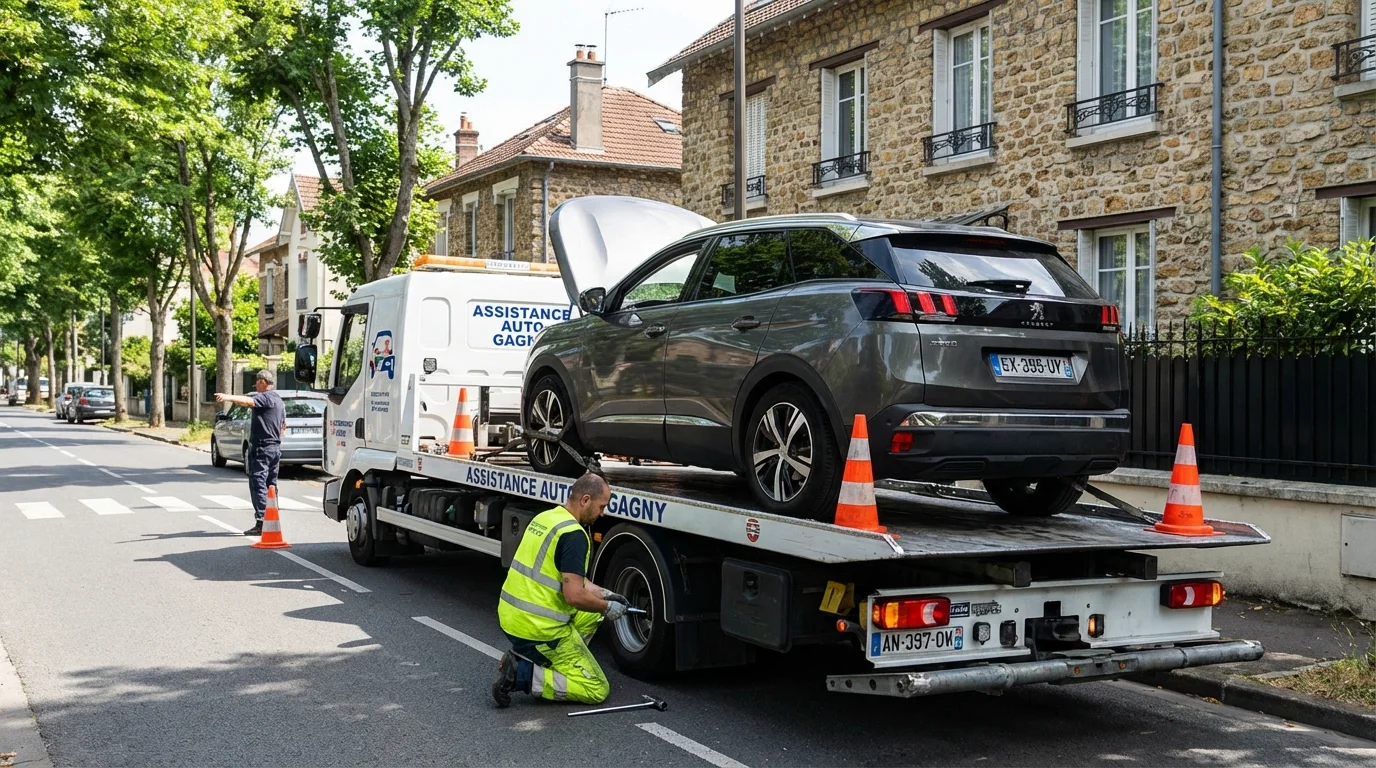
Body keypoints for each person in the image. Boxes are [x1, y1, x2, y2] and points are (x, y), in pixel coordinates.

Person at [492, 473, 630, 707]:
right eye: (601, 506)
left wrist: (605, 595)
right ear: (585, 500)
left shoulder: (547, 518)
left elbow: (572, 580)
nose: (603, 513)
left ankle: (556, 662)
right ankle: (522, 674)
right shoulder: (575, 536)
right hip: (537, 628)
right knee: (596, 688)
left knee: (592, 612)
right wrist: (607, 608)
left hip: (511, 615)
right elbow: (574, 595)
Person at [214, 370, 285, 536]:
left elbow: (248, 401)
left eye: (256, 383)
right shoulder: (279, 400)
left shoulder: (265, 397)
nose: (255, 386)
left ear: (261, 381)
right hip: (275, 447)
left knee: (258, 482)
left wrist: (227, 397)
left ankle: (261, 520)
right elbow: (283, 426)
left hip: (262, 447)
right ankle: (273, 516)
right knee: (271, 484)